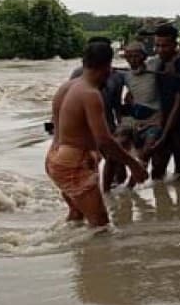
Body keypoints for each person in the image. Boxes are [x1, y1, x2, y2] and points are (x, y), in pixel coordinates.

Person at [47, 42, 149, 226]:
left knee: (77, 216)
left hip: (55, 157)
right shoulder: (90, 94)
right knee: (100, 224)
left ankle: (72, 252)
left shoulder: (67, 86)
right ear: (108, 66)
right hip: (74, 163)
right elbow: (105, 141)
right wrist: (134, 165)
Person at [147, 24, 180, 180]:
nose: (161, 50)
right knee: (156, 172)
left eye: (165, 46)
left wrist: (164, 136)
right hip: (162, 124)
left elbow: (178, 106)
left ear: (175, 45)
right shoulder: (157, 65)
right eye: (157, 45)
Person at [118, 42, 164, 163]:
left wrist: (172, 62)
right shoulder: (126, 75)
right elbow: (130, 95)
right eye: (129, 57)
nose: (133, 60)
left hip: (154, 117)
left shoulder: (154, 64)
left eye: (136, 56)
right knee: (118, 142)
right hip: (136, 117)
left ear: (144, 56)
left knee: (148, 150)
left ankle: (137, 177)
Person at [69, 37, 125, 133]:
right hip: (84, 129)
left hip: (107, 126)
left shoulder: (117, 76)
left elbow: (117, 105)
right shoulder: (78, 74)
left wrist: (121, 127)